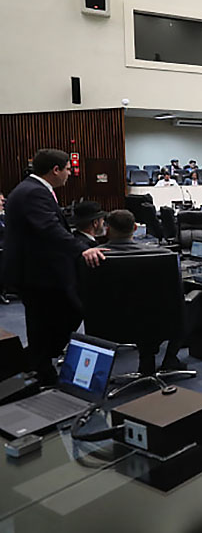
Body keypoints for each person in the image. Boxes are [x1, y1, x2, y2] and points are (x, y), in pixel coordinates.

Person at [1, 149, 106, 383]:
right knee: (58, 316)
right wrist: (83, 248)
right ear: (55, 170)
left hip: (37, 269)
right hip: (36, 273)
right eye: (68, 169)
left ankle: (38, 366)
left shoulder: (32, 189)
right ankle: (39, 368)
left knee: (48, 320)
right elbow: (48, 227)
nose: (70, 173)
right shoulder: (33, 192)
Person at [101, 209, 188, 373]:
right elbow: (175, 292)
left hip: (111, 324)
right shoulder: (162, 255)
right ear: (135, 228)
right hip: (157, 322)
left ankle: (146, 360)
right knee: (187, 303)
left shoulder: (94, 257)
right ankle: (170, 358)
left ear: (107, 229)